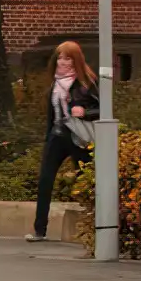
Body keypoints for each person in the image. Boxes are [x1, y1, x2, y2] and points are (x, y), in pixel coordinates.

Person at [30, 40, 100, 242]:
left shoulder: (86, 83)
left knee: (86, 181)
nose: (63, 62)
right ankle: (39, 230)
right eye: (60, 57)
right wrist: (47, 137)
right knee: (45, 180)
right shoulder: (55, 83)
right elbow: (51, 115)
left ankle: (98, 227)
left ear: (75, 60)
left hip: (77, 137)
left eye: (67, 58)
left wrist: (85, 112)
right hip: (57, 136)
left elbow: (104, 110)